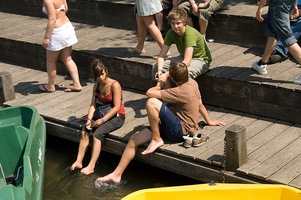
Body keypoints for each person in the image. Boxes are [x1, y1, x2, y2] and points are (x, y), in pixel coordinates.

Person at [96, 62, 225, 184]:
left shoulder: (180, 91)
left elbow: (149, 93)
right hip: (173, 124)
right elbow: (200, 104)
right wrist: (209, 121)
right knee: (134, 139)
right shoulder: (192, 83)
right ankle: (116, 174)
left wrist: (160, 83)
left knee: (152, 102)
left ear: (173, 78)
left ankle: (157, 139)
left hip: (180, 130)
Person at [70, 59, 125, 175]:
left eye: (102, 74)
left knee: (97, 135)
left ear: (105, 71)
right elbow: (93, 104)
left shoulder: (115, 85)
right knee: (85, 131)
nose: (100, 77)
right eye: (97, 76)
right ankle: (79, 161)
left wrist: (102, 120)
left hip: (116, 116)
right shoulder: (97, 85)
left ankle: (91, 166)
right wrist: (89, 119)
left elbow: (116, 107)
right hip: (101, 113)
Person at [153, 8, 212, 80]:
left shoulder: (190, 33)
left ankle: (185, 91)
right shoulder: (171, 33)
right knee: (156, 67)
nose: (175, 26)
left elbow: (187, 62)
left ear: (184, 22)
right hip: (183, 57)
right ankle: (164, 90)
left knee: (185, 73)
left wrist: (166, 74)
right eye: (173, 23)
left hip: (200, 60)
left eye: (178, 23)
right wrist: (160, 71)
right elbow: (161, 56)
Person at [252, 0, 301, 85]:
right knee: (273, 32)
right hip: (287, 3)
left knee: (287, 38)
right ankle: (262, 63)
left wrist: (260, 7)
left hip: (279, 4)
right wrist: (295, 4)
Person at [39, 0, 82, 93]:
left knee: (51, 62)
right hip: (67, 27)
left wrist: (46, 37)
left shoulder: (48, 1)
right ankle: (77, 84)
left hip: (57, 31)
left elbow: (52, 19)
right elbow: (65, 8)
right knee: (68, 59)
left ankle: (50, 86)